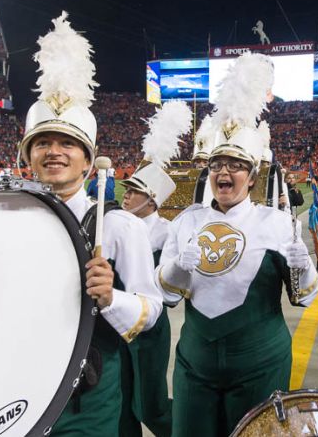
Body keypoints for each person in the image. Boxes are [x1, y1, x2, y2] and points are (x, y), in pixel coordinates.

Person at [156, 53, 318, 436]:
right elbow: (166, 294)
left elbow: (305, 296)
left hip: (260, 366)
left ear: (253, 175)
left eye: (235, 165)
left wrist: (302, 265)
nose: (224, 172)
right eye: (216, 165)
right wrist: (178, 267)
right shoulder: (186, 221)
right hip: (194, 365)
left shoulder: (277, 223)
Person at [19, 12, 163, 436]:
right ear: (28, 156)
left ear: (87, 160)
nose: (54, 151)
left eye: (68, 143)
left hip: (88, 397)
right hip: (19, 386)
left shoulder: (118, 226)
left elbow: (151, 309)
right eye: (42, 143)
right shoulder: (11, 219)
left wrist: (110, 297)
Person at [117, 100, 193, 437]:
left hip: (149, 328)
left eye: (134, 192)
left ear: (151, 200)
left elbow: (169, 293)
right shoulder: (115, 224)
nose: (126, 196)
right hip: (115, 322)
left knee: (150, 406)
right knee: (120, 404)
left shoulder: (166, 232)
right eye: (127, 190)